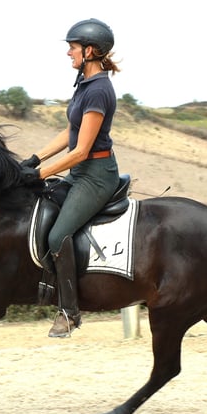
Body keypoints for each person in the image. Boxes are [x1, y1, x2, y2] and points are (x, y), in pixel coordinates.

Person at [20, 18, 122, 337]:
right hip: (80, 173)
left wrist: (38, 175)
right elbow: (70, 132)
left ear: (90, 51)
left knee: (56, 236)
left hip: (96, 176)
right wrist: (35, 159)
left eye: (73, 47)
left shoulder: (99, 91)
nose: (69, 53)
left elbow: (80, 151)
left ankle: (70, 311)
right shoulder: (85, 86)